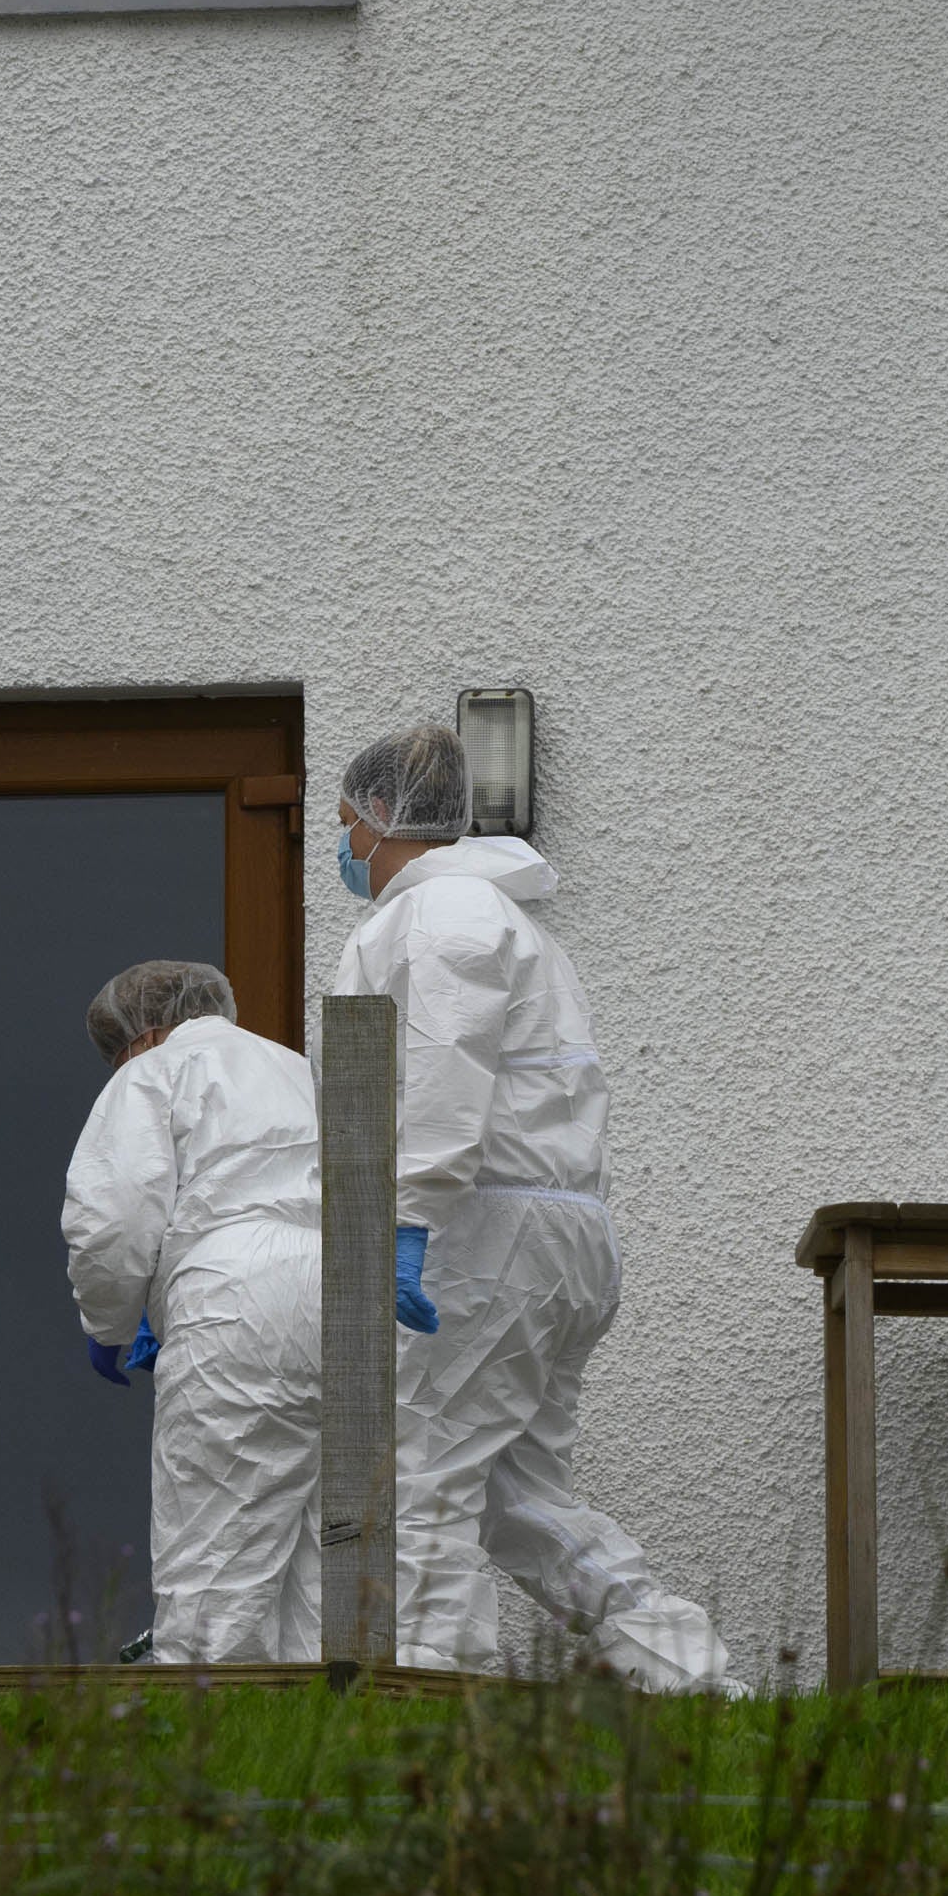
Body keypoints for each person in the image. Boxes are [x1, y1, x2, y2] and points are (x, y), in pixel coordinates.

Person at [326, 720, 729, 1687]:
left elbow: (440, 1066)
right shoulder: (497, 918)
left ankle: (429, 1684)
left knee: (418, 1465)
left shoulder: (443, 915)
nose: (341, 849)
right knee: (519, 1498)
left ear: (382, 818)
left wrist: (409, 1218)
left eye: (344, 824)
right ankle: (685, 1669)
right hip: (546, 1238)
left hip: (483, 1234)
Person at [60, 956, 326, 1664]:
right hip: (343, 1293)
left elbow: (111, 1223)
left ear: (144, 1033)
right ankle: (321, 1743)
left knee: (213, 1551)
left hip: (233, 1302)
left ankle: (203, 1741)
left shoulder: (152, 1074)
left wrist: (109, 1321)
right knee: (317, 1556)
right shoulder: (297, 1068)